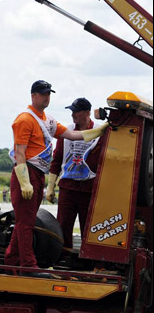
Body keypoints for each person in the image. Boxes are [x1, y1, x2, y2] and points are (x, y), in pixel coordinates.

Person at [5, 80, 108, 277]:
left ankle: (12, 259)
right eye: (42, 94)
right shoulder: (25, 119)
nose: (46, 97)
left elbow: (72, 135)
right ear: (33, 95)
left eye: (48, 94)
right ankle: (27, 265)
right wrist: (25, 182)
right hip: (27, 172)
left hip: (37, 174)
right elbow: (20, 153)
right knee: (26, 223)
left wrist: (101, 130)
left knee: (25, 221)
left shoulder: (48, 120)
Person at [46, 98, 103, 249]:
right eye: (72, 111)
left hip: (89, 188)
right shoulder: (66, 131)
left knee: (89, 227)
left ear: (87, 112)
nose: (73, 115)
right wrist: (50, 187)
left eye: (76, 111)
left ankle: (88, 260)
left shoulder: (100, 133)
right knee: (63, 226)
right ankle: (62, 258)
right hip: (68, 187)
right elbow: (56, 160)